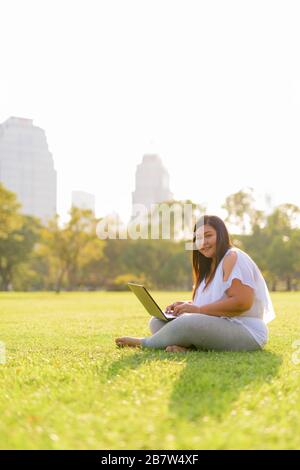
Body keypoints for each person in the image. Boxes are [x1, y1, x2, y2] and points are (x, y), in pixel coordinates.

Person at [115, 215, 275, 353]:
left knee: (187, 322)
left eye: (208, 236)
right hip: (220, 324)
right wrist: (187, 306)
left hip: (246, 331)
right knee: (157, 322)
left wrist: (198, 310)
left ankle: (146, 343)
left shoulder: (233, 257)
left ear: (221, 235)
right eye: (198, 238)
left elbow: (242, 302)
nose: (203, 242)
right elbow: (213, 302)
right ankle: (187, 348)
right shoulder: (208, 267)